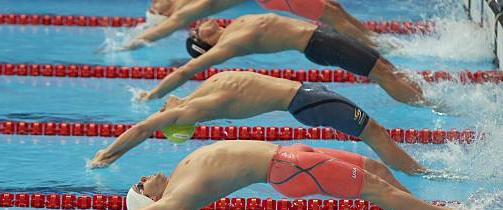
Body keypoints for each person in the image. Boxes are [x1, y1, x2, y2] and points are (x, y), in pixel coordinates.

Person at [78, 140, 491, 210]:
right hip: (288, 167)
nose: (144, 178)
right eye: (139, 187)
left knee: (377, 171)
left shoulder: (179, 174)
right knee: (378, 190)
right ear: (150, 200)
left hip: (291, 155)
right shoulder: (174, 200)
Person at [90, 71, 424, 175]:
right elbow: (141, 129)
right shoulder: (195, 108)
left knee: (376, 133)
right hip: (307, 101)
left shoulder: (198, 93)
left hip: (309, 95)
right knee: (375, 134)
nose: (162, 110)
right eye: (165, 116)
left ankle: (417, 170)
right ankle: (420, 174)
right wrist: (107, 154)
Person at [139, 15, 424, 105]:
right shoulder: (227, 45)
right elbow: (185, 71)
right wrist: (152, 94)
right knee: (382, 74)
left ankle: (424, 96)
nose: (197, 25)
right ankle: (425, 103)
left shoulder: (233, 26)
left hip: (322, 35)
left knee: (385, 68)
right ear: (205, 42)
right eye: (196, 32)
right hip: (319, 44)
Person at [129, 0, 379, 50]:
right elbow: (165, 28)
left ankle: (375, 39)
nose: (153, 2)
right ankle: (377, 47)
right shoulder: (188, 9)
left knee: (332, 7)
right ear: (161, 12)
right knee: (330, 15)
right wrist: (131, 43)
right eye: (152, 8)